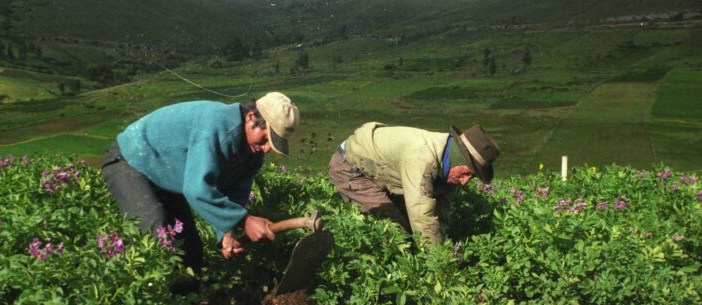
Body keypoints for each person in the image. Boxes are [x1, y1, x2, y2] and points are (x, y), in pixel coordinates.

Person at [101, 92, 300, 272]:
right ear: (251, 118)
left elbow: (234, 195)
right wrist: (245, 220)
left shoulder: (252, 154)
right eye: (265, 139)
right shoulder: (216, 127)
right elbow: (197, 189)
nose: (265, 149)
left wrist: (226, 232)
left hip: (168, 177)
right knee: (157, 237)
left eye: (271, 145)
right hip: (131, 160)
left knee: (190, 252)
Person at [328, 122, 500, 244]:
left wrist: (442, 240)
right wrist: (438, 265)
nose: (464, 182)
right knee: (394, 229)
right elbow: (421, 215)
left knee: (411, 228)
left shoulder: (450, 166)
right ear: (456, 159)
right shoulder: (422, 158)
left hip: (384, 170)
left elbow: (442, 210)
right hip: (351, 165)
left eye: (471, 178)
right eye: (466, 174)